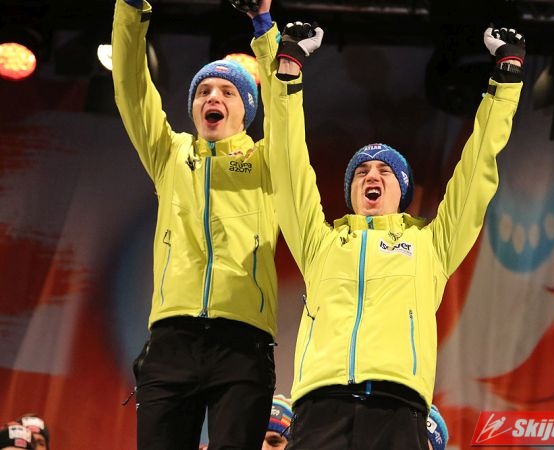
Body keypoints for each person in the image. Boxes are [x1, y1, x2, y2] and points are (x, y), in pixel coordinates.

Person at [266, 24, 525, 449]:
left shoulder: (431, 245)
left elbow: (477, 170)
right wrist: (288, 74)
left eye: (384, 171)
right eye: (361, 173)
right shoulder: (319, 242)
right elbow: (288, 164)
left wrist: (507, 80)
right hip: (319, 404)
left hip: (397, 405)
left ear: (401, 192)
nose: (372, 175)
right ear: (351, 192)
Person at [111, 0, 287, 447]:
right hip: (172, 338)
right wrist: (130, 10)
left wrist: (264, 29)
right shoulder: (170, 155)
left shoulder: (268, 162)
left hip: (243, 342)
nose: (213, 97)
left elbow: (287, 113)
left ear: (247, 110)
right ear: (192, 109)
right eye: (203, 91)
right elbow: (131, 88)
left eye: (227, 92)